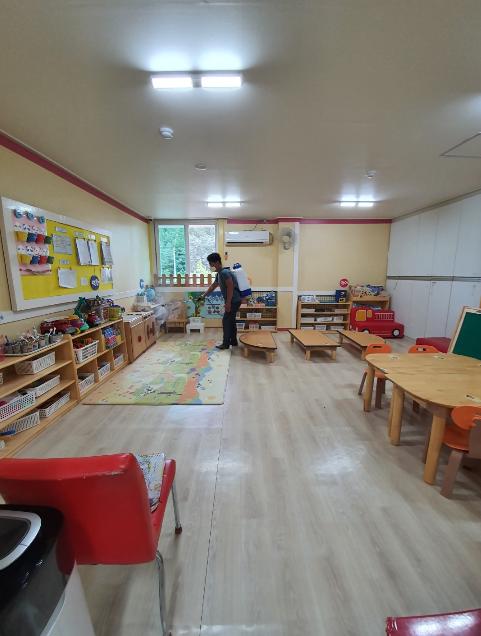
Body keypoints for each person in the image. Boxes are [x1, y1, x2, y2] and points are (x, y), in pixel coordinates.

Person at [201, 252, 242, 349]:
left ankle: (226, 343)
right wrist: (203, 296)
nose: (210, 266)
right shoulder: (219, 274)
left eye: (211, 263)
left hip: (234, 300)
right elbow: (213, 286)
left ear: (217, 262)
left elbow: (230, 287)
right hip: (233, 300)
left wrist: (228, 303)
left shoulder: (224, 273)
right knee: (231, 320)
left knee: (226, 321)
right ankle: (233, 341)